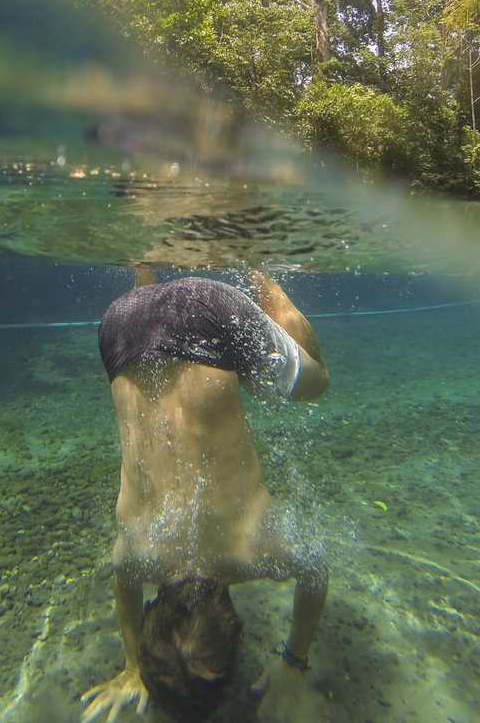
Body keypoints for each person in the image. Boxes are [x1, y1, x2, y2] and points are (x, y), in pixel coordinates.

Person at [81, 269, 329, 723]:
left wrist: (293, 661)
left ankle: (260, 272)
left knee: (316, 385)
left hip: (210, 309)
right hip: (122, 323)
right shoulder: (142, 556)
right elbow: (124, 583)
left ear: (234, 626)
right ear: (155, 613)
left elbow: (316, 569)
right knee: (152, 319)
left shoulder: (258, 555)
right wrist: (134, 666)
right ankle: (145, 269)